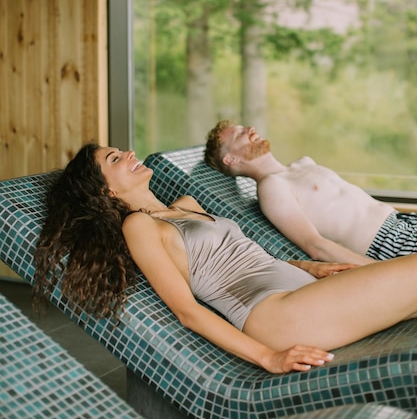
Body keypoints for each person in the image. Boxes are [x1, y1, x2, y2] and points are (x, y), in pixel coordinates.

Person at [33, 143, 417, 375]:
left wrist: (308, 267)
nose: (129, 153)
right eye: (115, 158)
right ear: (108, 192)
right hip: (276, 314)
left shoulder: (186, 205)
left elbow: (249, 258)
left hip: (304, 290)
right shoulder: (140, 227)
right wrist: (268, 356)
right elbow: (186, 310)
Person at [204, 120, 417, 266]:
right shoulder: (272, 187)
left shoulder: (303, 163)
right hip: (389, 245)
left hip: (405, 222)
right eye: (240, 134)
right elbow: (315, 246)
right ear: (231, 159)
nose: (250, 128)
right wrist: (383, 272)